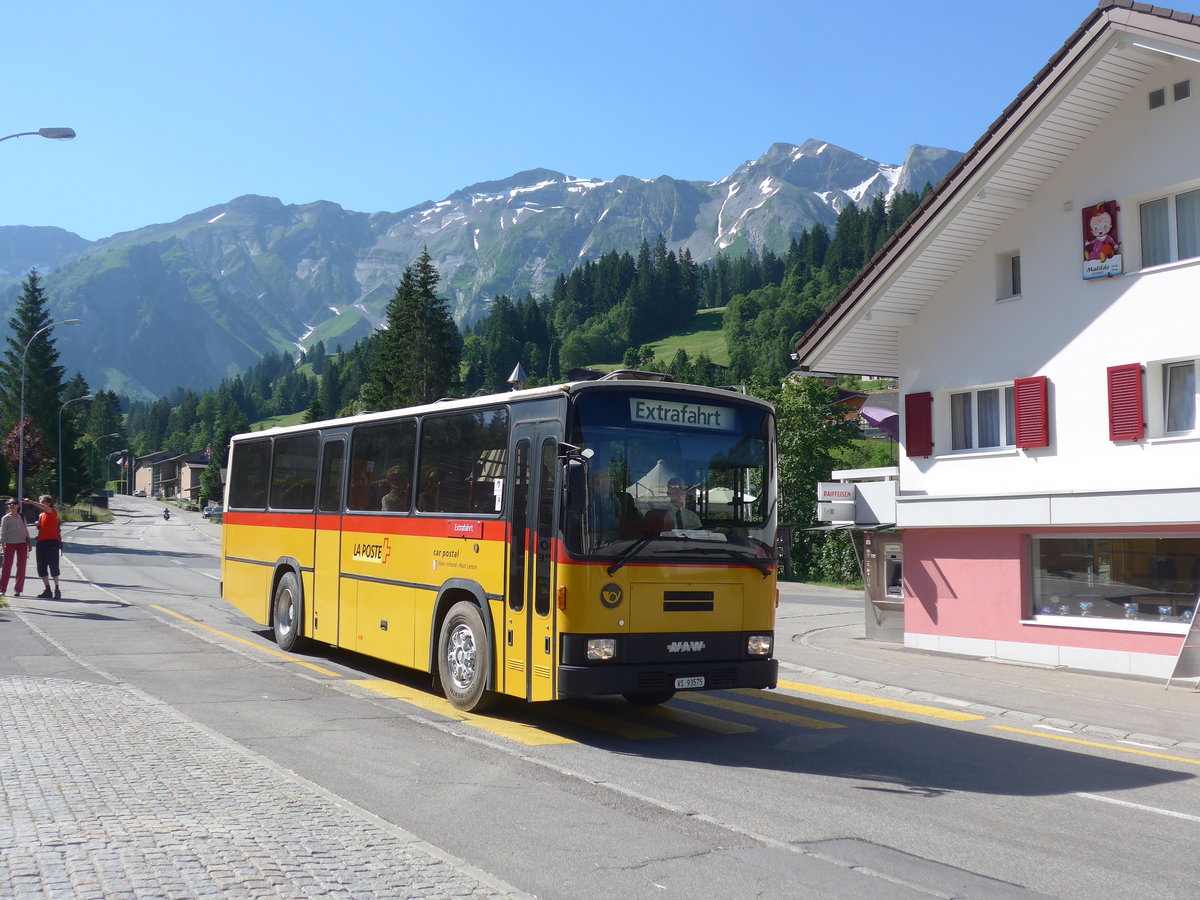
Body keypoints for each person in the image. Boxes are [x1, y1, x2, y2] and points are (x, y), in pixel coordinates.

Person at [23, 496, 62, 600]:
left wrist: (31, 502)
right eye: (41, 501)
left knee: (53, 566)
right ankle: (47, 589)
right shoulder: (41, 515)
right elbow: (41, 527)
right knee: (41, 567)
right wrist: (38, 524)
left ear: (49, 503)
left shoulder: (52, 511)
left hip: (52, 543)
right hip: (41, 542)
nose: (41, 503)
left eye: (44, 501)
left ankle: (57, 589)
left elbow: (46, 509)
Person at [588, 470, 640, 538]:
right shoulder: (589, 499)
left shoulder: (613, 497)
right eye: (596, 479)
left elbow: (620, 515)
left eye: (607, 479)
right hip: (595, 535)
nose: (600, 482)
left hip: (615, 534)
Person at [0, 499, 30, 598]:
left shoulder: (22, 516)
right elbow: (2, 533)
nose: (12, 505)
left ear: (18, 505)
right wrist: (2, 546)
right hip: (10, 543)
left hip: (22, 543)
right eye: (10, 504)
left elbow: (26, 530)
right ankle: (2, 589)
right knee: (6, 566)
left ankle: (18, 589)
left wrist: (29, 542)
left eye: (14, 503)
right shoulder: (6, 518)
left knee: (21, 566)